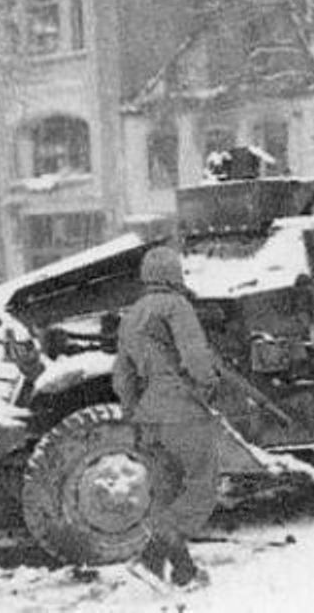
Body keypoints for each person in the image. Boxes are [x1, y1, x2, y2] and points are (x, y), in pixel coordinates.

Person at [113, 246, 219, 589]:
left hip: (148, 416)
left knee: (166, 492)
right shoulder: (177, 306)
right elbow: (195, 357)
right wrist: (208, 385)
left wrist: (135, 412)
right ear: (176, 275)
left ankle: (180, 571)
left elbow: (122, 376)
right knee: (202, 485)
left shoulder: (131, 315)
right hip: (181, 411)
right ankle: (149, 557)